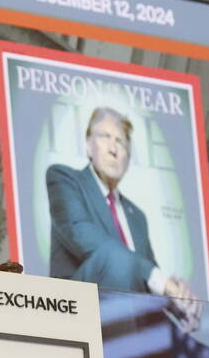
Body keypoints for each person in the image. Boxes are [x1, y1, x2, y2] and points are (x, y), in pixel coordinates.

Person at [46, 107, 193, 301]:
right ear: (89, 146)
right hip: (76, 312)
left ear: (128, 159)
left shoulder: (137, 217)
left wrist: (178, 298)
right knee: (116, 256)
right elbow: (80, 232)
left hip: (135, 317)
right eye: (105, 136)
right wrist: (158, 279)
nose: (113, 149)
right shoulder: (65, 179)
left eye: (121, 142)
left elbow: (149, 281)